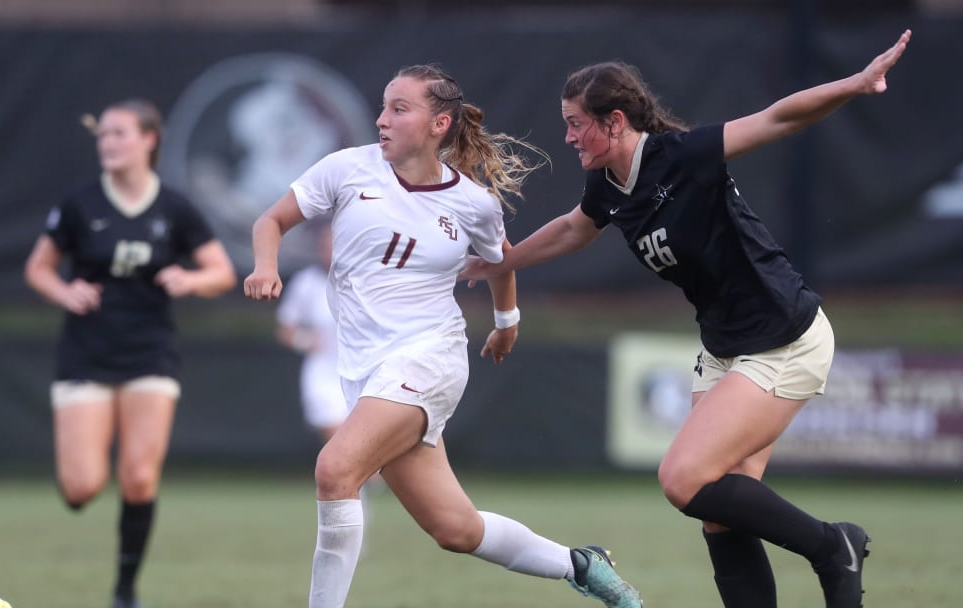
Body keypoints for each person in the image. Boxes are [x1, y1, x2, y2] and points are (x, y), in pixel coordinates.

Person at [462, 30, 912, 608]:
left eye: (576, 123)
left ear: (615, 121)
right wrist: (504, 261)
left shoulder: (681, 155)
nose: (568, 136)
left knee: (684, 479)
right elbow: (575, 227)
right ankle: (830, 554)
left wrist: (855, 82)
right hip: (724, 346)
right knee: (721, 510)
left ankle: (833, 547)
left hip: (784, 337)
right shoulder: (608, 183)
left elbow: (778, 118)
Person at [243, 64, 642, 608]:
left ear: (439, 124)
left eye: (399, 109)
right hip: (365, 369)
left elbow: (501, 263)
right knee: (455, 528)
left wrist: (506, 323)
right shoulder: (346, 168)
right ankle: (581, 565)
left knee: (335, 470)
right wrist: (265, 266)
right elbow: (270, 221)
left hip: (429, 358)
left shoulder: (473, 203)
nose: (382, 119)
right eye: (383, 107)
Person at [24, 99, 237, 608]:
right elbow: (38, 269)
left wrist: (190, 279)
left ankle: (125, 591)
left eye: (119, 133)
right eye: (103, 135)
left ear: (149, 140)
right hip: (87, 353)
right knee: (81, 487)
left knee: (139, 476)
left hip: (149, 352)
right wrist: (64, 291)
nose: (108, 143)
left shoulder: (175, 207)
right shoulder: (79, 204)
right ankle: (81, 490)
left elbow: (222, 272)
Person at [275, 220, 347, 443]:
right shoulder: (305, 282)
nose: (329, 251)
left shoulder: (364, 280)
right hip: (322, 373)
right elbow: (284, 331)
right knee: (338, 443)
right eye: (325, 245)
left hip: (363, 372)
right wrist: (306, 341)